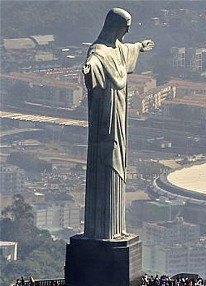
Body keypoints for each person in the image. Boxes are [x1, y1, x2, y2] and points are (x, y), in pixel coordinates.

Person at [82, 8, 154, 239]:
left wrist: (140, 46)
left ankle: (116, 229)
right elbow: (93, 60)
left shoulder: (117, 49)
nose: (127, 32)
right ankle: (104, 231)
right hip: (106, 115)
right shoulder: (100, 51)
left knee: (118, 159)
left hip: (119, 112)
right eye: (125, 28)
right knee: (107, 159)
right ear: (114, 27)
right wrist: (89, 68)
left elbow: (125, 49)